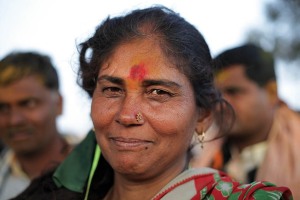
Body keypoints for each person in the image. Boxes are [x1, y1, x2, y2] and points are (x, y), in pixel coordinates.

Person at [12, 7, 292, 200]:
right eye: (111, 89)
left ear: (202, 116)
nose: (126, 115)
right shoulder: (57, 191)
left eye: (158, 92)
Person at [208, 43, 300, 199]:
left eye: (233, 91)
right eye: (215, 95)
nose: (220, 105)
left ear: (271, 92)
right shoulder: (198, 153)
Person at [0, 51, 78, 199]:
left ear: (59, 104)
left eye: (28, 104)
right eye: (3, 108)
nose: (14, 120)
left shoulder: (104, 169)